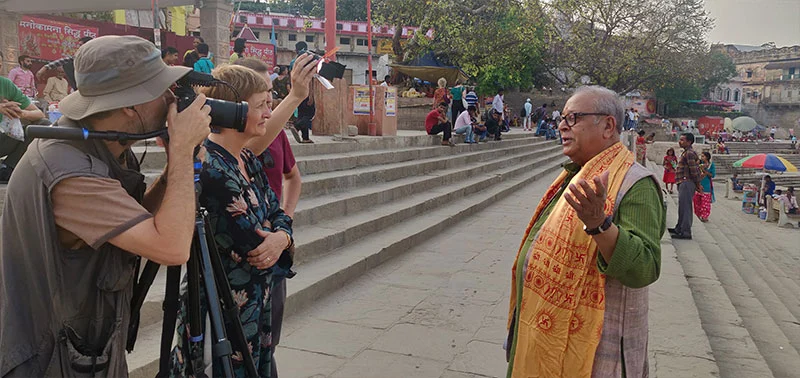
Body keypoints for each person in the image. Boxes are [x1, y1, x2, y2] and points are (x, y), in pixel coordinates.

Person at [0, 35, 213, 377]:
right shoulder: (68, 169)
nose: (172, 98)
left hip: (87, 345)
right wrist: (186, 150)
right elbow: (171, 247)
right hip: (49, 360)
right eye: (162, 89)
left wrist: (177, 162)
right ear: (130, 105)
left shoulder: (104, 142)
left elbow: (130, 220)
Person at [506, 85, 664, 377]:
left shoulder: (636, 184)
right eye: (562, 118)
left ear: (607, 126)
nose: (561, 126)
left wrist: (599, 224)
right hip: (539, 333)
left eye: (573, 118)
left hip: (596, 349)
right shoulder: (576, 174)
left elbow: (644, 267)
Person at [230, 55, 314, 378]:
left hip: (273, 264)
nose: (270, 107)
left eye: (271, 98)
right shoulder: (222, 161)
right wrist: (296, 96)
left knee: (268, 345)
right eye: (262, 99)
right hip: (241, 278)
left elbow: (287, 188)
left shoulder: (260, 146)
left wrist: (283, 231)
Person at [0, 76, 46, 183]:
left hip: (3, 138)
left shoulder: (5, 84)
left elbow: (40, 114)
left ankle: (8, 167)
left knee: (43, 124)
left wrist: (22, 113)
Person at [669, 133, 703, 240]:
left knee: (686, 207)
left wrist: (698, 184)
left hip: (687, 182)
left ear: (689, 142)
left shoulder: (689, 153)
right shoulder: (686, 152)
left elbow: (694, 170)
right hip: (683, 182)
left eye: (682, 140)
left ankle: (685, 232)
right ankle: (679, 228)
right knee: (682, 206)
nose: (680, 141)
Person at [694, 151, 716, 222]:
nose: (701, 157)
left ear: (707, 157)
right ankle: (697, 215)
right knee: (697, 202)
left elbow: (712, 175)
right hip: (698, 185)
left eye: (703, 156)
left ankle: (704, 216)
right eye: (701, 156)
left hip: (706, 186)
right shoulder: (699, 164)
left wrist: (705, 171)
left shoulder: (711, 165)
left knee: (705, 203)